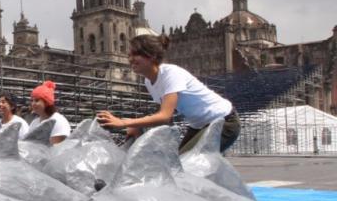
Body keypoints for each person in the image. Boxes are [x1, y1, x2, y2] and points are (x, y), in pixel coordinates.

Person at [96, 34, 239, 153]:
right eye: (130, 55)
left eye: (136, 54)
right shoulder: (149, 81)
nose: (131, 59)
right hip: (199, 125)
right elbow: (165, 117)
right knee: (180, 165)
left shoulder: (170, 73)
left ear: (151, 56)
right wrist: (137, 126)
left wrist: (124, 122)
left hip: (223, 122)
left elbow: (165, 116)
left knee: (187, 167)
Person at [28, 80, 71, 145]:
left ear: (47, 102)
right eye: (32, 100)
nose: (33, 104)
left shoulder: (58, 121)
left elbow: (56, 148)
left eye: (37, 100)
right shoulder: (34, 123)